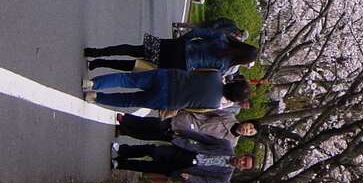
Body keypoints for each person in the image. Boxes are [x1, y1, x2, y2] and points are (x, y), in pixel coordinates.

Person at [113, 128, 254, 183]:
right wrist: (183, 133)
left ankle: (120, 164)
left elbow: (204, 181)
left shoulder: (225, 176)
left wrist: (190, 178)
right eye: (244, 159)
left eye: (243, 165)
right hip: (187, 151)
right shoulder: (226, 146)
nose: (241, 162)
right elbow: (203, 138)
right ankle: (123, 150)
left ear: (242, 169)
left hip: (184, 168)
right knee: (153, 150)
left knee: (149, 166)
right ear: (242, 155)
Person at [85, 30, 258, 73]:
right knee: (138, 65)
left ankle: (96, 52)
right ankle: (97, 64)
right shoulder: (225, 66)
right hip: (180, 64)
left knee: (135, 49)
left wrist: (183, 40)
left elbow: (199, 32)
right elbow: (201, 72)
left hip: (179, 47)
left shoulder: (223, 38)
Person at [83, 68, 250, 110]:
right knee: (129, 101)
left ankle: (93, 83)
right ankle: (95, 97)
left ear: (233, 82)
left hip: (170, 78)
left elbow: (195, 71)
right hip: (170, 100)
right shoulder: (214, 104)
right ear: (233, 100)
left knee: (128, 79)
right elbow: (194, 109)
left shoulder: (215, 75)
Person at [117, 111, 258, 144]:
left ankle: (125, 130)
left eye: (251, 132)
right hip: (188, 121)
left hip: (188, 137)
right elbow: (207, 111)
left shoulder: (230, 142)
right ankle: (127, 119)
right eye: (250, 126)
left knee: (153, 136)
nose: (248, 130)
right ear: (247, 122)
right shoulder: (229, 116)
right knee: (157, 124)